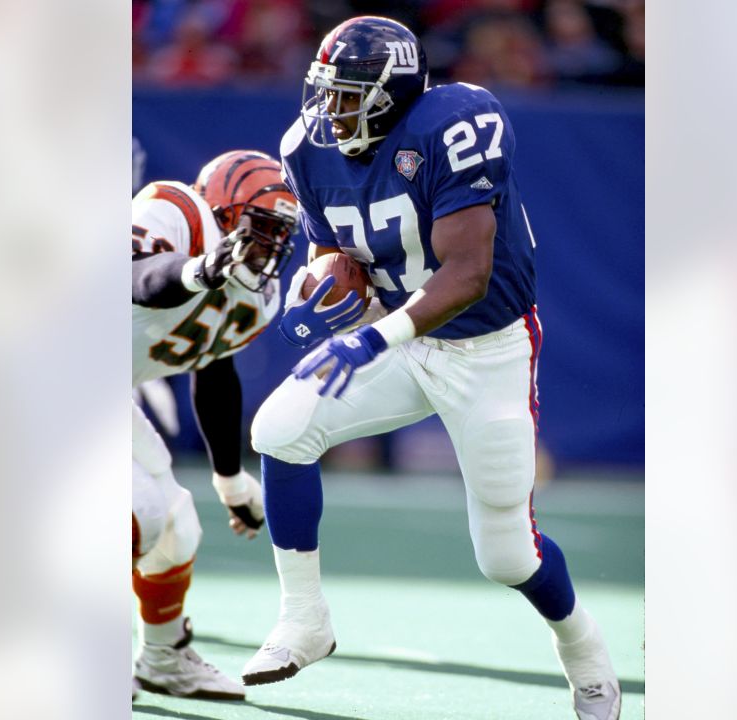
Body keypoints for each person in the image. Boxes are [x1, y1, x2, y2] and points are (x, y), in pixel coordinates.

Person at [242, 16, 621, 720]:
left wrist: (370, 337)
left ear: (392, 95)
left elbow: (469, 274)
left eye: (349, 96)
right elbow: (338, 256)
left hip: (487, 349)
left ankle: (582, 647)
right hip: (400, 341)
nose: (331, 111)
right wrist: (323, 292)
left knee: (507, 556)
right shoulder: (307, 147)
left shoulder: (454, 121)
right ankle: (304, 621)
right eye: (325, 93)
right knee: (280, 429)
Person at [131, 149, 298, 700]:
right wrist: (197, 270)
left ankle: (163, 659)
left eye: (278, 235)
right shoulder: (174, 209)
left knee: (177, 528)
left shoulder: (259, 297)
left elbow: (213, 363)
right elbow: (130, 276)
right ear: (224, 214)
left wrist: (229, 479)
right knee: (139, 514)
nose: (268, 248)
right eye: (259, 230)